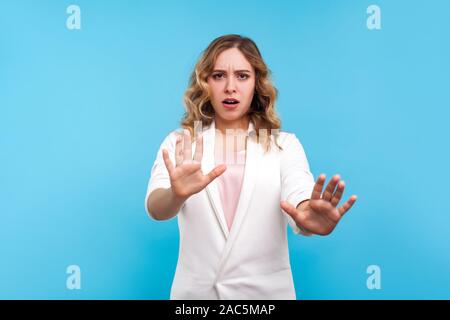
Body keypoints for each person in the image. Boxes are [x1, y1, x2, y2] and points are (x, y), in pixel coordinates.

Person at [145, 34, 357, 299]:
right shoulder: (181, 141)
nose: (230, 87)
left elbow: (298, 192)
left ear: (257, 83)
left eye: (242, 76)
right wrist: (176, 194)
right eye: (219, 75)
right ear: (205, 83)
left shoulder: (284, 145)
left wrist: (308, 214)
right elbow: (156, 208)